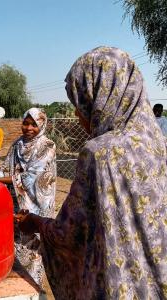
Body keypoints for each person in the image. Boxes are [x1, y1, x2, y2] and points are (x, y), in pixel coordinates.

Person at [16, 46, 167, 299]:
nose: (76, 114)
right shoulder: (158, 143)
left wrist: (36, 223)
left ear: (103, 99)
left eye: (81, 103)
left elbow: (69, 234)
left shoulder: (100, 153)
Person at [0, 107, 56, 287]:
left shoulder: (47, 146)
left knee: (33, 249)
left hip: (36, 208)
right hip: (15, 205)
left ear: (42, 125)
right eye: (25, 123)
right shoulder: (17, 144)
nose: (28, 128)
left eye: (33, 125)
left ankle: (34, 288)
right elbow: (4, 170)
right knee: (15, 245)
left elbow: (30, 178)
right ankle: (18, 285)